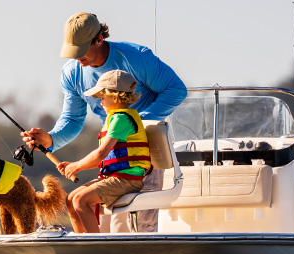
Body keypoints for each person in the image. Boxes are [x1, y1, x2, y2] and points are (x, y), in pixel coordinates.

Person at [21, 12, 187, 232]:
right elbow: (73, 118)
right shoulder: (72, 73)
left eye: (81, 50)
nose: (76, 57)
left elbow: (176, 90)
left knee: (139, 225)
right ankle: (89, 252)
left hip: (145, 155)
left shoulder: (136, 57)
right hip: (113, 154)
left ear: (99, 39)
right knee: (87, 208)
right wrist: (50, 138)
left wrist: (137, 122)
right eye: (72, 50)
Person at [57, 70, 150, 233]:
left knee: (80, 200)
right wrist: (73, 165)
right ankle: (81, 241)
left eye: (102, 98)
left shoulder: (121, 119)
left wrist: (77, 166)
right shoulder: (115, 118)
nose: (100, 102)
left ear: (114, 97)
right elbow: (103, 157)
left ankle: (94, 245)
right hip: (116, 177)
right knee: (70, 199)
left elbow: (101, 154)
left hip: (128, 179)